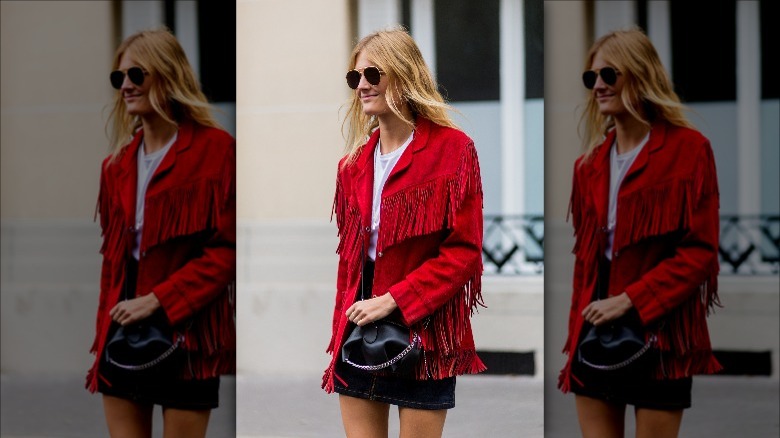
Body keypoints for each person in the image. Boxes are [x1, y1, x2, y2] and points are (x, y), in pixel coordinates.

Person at [322, 27, 486, 438]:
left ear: (403, 74)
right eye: (354, 77)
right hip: (359, 336)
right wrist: (342, 327)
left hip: (424, 338)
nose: (361, 85)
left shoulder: (453, 150)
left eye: (372, 74)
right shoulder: (352, 165)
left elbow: (464, 253)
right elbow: (350, 260)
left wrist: (393, 300)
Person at [559, 27, 722, 438]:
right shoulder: (589, 166)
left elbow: (699, 253)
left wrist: (631, 300)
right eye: (590, 77)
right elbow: (586, 261)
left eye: (609, 75)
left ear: (639, 74)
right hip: (595, 337)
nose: (598, 86)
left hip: (661, 338)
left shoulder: (689, 151)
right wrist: (576, 334)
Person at [86, 28, 236, 438]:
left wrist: (158, 300)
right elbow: (112, 263)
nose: (127, 86)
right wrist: (102, 341)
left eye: (137, 74)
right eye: (119, 79)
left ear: (168, 76)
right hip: (123, 334)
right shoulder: (114, 166)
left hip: (187, 338)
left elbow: (226, 252)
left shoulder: (217, 151)